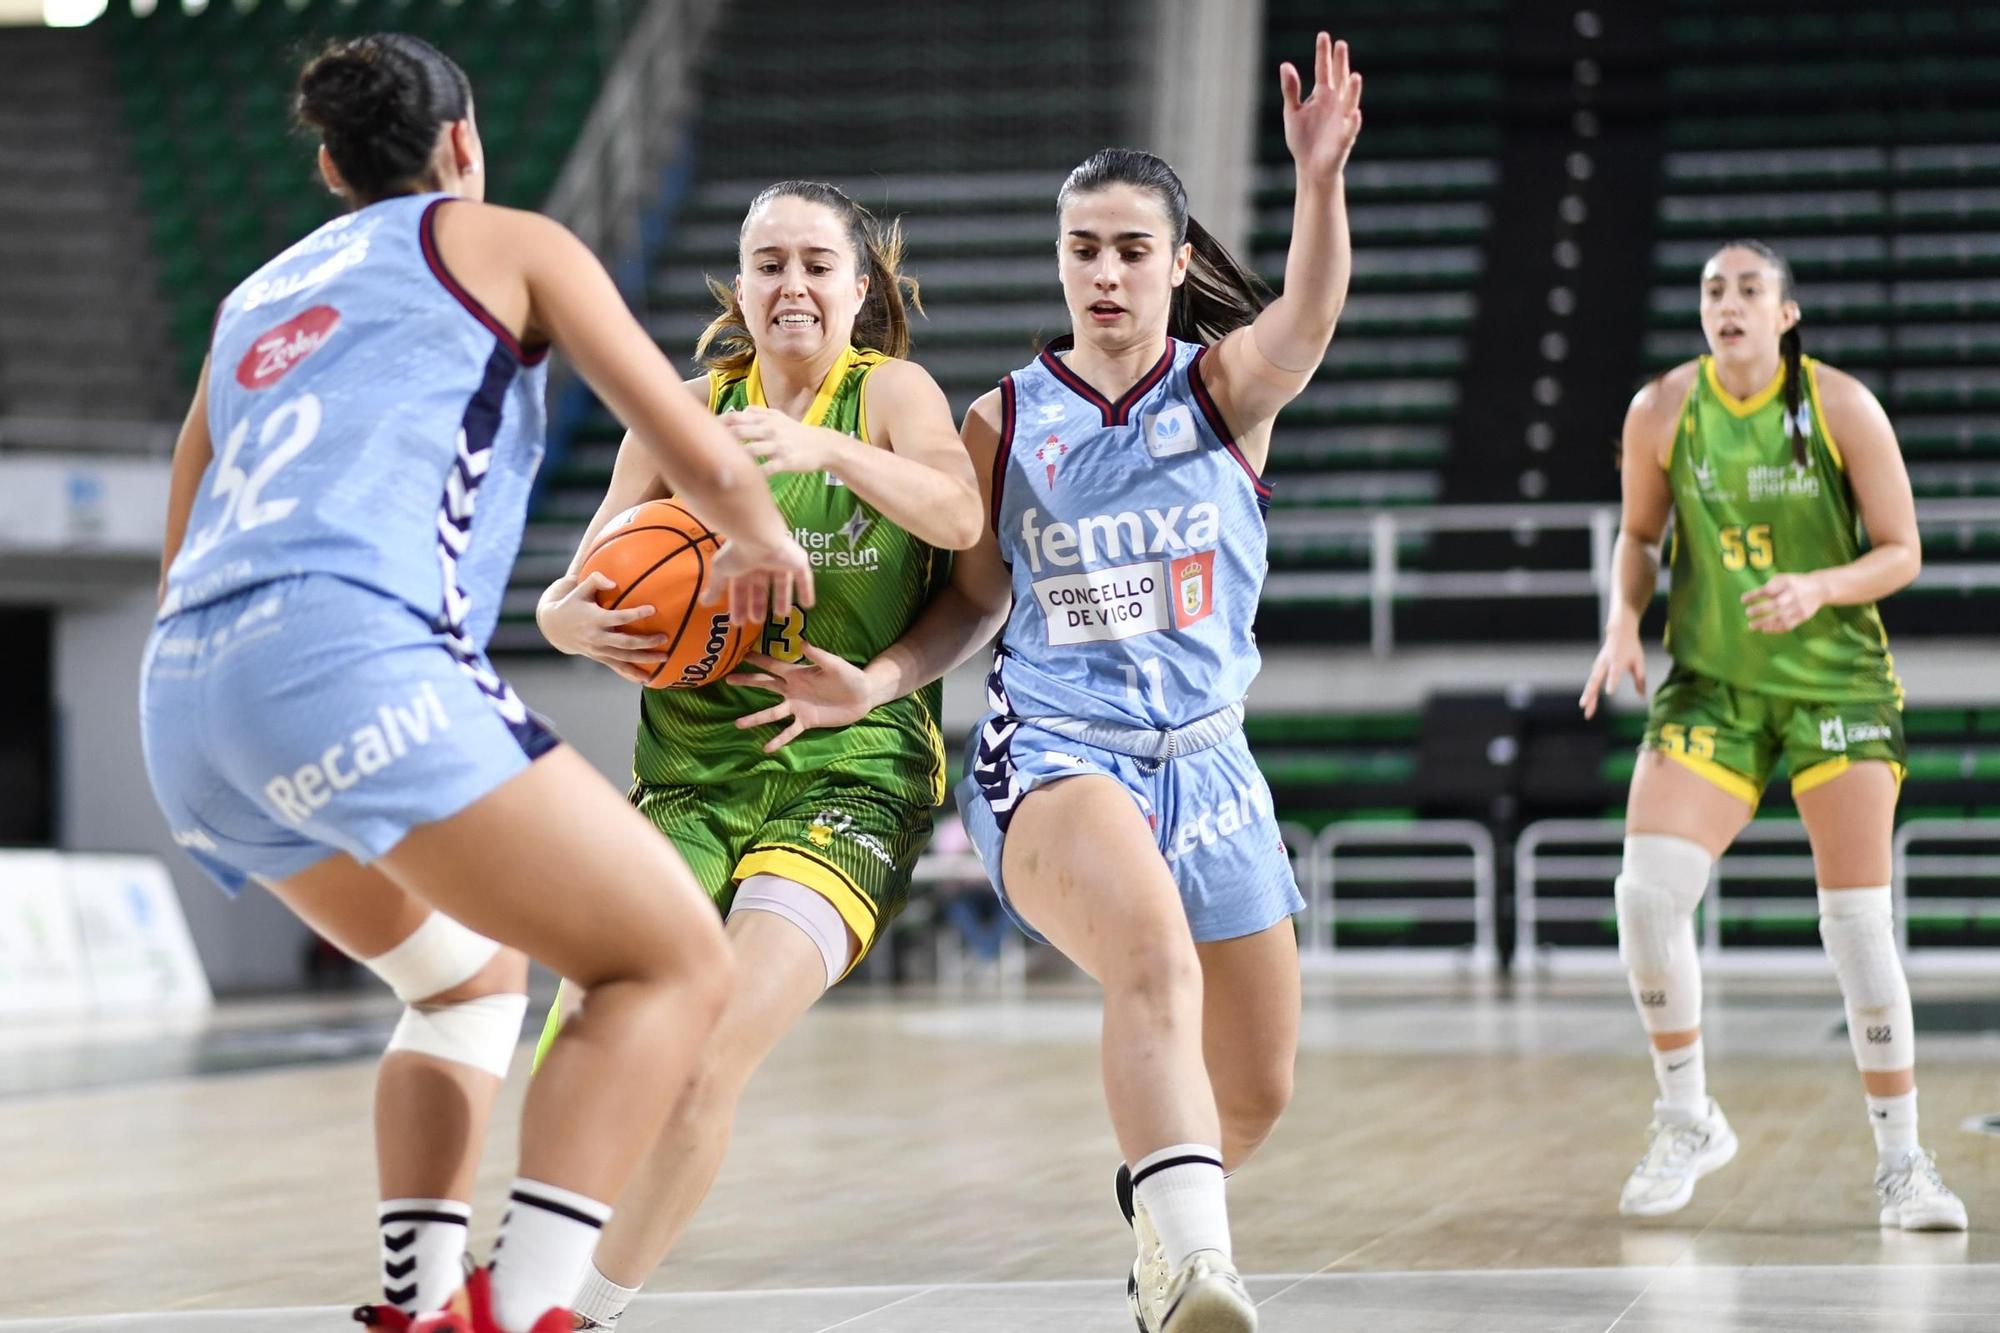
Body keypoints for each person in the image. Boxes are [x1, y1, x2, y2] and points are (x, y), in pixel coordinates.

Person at [138, 35, 814, 1333]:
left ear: (332, 165)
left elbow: (184, 539)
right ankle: (532, 1311)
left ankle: (424, 1301)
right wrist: (760, 533)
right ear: (464, 144)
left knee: (465, 980)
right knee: (669, 965)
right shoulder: (504, 240)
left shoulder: (253, 299)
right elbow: (687, 441)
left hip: (187, 704)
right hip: (352, 659)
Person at [730, 33, 1354, 1333]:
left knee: (1259, 1087)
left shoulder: (1227, 390)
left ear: (1177, 264)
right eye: (1086, 248)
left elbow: (1305, 317)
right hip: (1063, 750)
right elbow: (971, 599)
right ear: (1061, 259)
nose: (1108, 271)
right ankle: (1197, 1272)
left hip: (1214, 758)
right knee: (1151, 965)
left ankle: (1157, 1217)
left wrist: (1319, 181)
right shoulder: (1004, 418)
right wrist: (880, 680)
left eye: (1134, 248)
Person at [530, 180, 984, 1329]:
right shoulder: (682, 410)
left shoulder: (889, 392)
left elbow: (959, 517)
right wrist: (566, 622)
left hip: (851, 770)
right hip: (686, 778)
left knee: (701, 1053)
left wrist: (819, 451)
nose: (790, 285)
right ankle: (539, 1272)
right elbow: (575, 591)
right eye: (767, 263)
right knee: (592, 1047)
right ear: (736, 285)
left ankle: (572, 1312)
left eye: (816, 264)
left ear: (858, 286)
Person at [1581, 239, 1967, 1230]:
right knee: (1644, 895)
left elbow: (1902, 550)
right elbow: (1636, 536)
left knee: (1853, 924)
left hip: (1833, 679)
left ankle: (1900, 1160)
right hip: (1711, 687)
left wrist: (1817, 588)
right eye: (1713, 289)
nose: (1729, 303)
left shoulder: (1840, 407)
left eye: (1749, 289)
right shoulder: (1659, 409)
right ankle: (1686, 1117)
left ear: (1784, 314)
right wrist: (1620, 618)